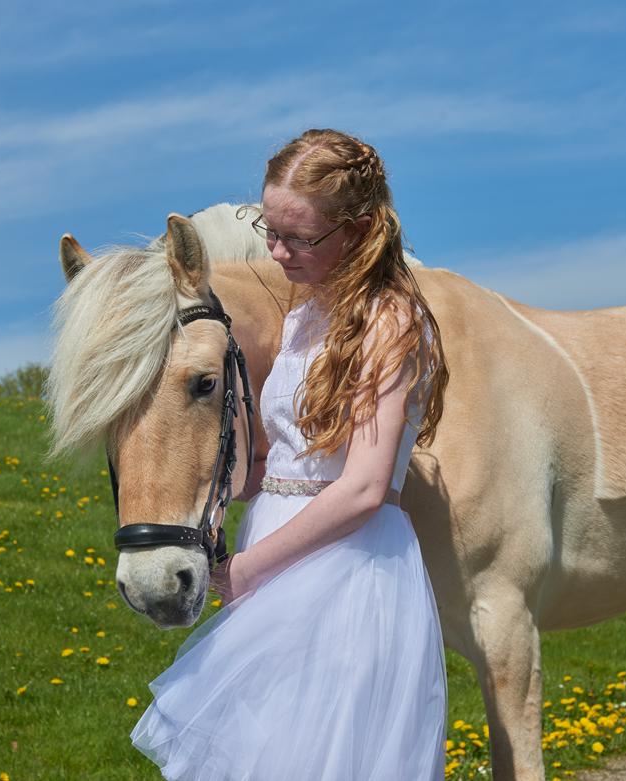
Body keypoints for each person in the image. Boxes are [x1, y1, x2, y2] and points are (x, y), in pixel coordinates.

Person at [129, 128, 451, 780]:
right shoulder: (307, 314)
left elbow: (362, 487)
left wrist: (251, 569)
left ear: (358, 232)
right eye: (271, 229)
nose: (275, 251)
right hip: (282, 552)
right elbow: (293, 457)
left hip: (344, 573)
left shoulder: (388, 320)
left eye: (297, 238)